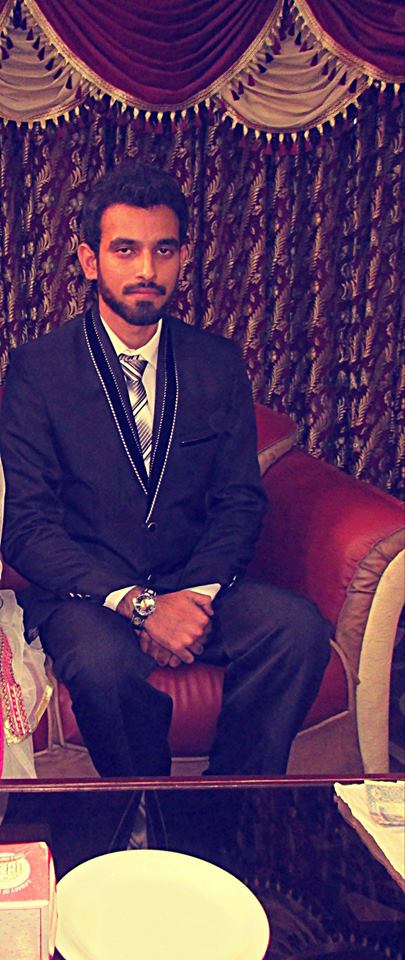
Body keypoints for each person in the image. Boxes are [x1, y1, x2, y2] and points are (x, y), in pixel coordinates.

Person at [0, 162, 331, 778]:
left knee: (297, 631)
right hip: (90, 595)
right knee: (102, 667)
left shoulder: (217, 363)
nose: (147, 270)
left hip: (196, 579)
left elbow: (239, 500)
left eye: (164, 249)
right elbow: (27, 528)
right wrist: (144, 606)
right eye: (125, 250)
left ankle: (224, 804)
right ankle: (144, 806)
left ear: (183, 257)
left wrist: (194, 598)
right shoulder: (37, 371)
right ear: (90, 260)